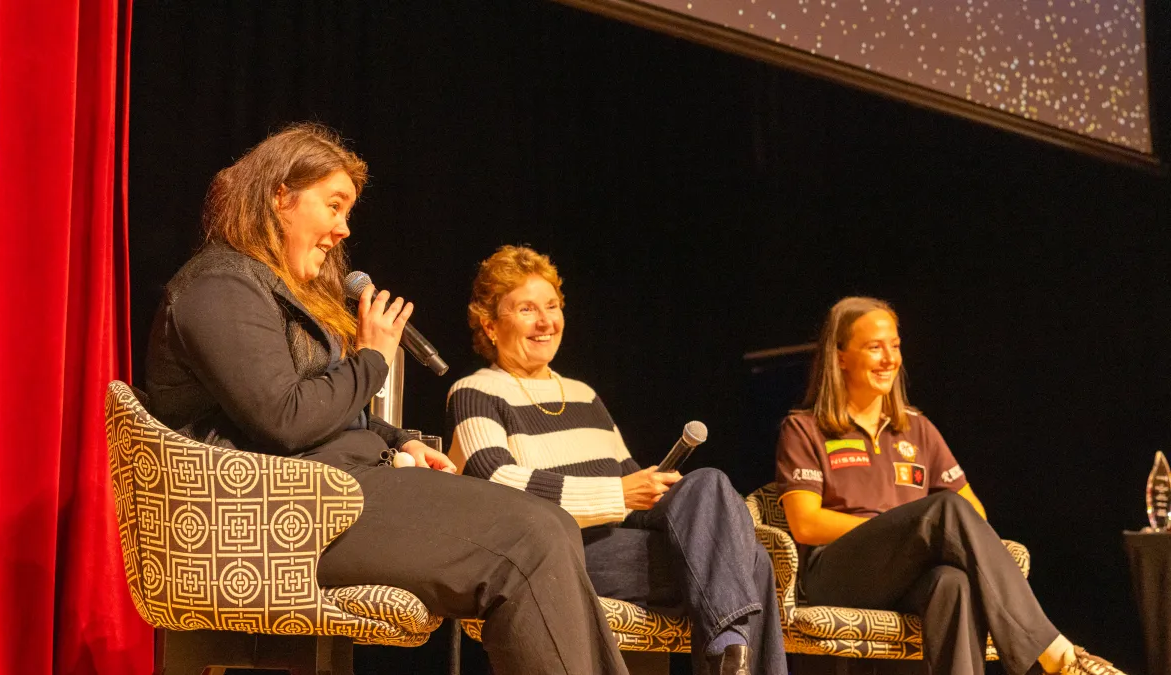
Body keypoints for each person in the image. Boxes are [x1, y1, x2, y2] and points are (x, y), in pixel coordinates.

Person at [144, 124, 628, 675]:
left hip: (334, 491)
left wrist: (396, 439)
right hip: (284, 518)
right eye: (333, 205)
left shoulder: (269, 287)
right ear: (280, 196)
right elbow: (284, 419)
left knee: (551, 524)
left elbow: (325, 410)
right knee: (532, 538)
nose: (341, 229)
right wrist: (372, 359)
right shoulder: (218, 287)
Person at [447, 245, 789, 675]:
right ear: (490, 325)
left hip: (622, 545)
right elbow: (496, 481)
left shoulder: (584, 395)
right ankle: (729, 652)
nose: (545, 321)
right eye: (526, 309)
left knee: (708, 484)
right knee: (746, 559)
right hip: (557, 557)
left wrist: (681, 498)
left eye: (552, 306)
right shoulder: (476, 391)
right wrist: (618, 493)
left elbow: (635, 487)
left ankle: (728, 648)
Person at [775, 296, 1123, 675]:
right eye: (875, 347)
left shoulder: (917, 429)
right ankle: (1057, 655)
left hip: (907, 575)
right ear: (839, 356)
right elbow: (805, 523)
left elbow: (976, 511)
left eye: (895, 346)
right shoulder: (804, 428)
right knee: (943, 511)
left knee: (952, 583)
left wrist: (914, 534)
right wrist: (900, 528)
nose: (890, 359)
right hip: (838, 573)